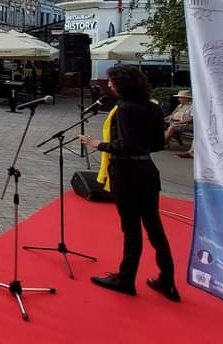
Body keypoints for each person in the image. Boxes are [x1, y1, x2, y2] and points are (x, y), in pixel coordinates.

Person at [80, 65, 178, 302]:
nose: (109, 85)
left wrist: (98, 144)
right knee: (155, 228)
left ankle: (126, 279)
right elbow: (157, 145)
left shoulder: (124, 109)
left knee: (131, 229)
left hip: (126, 173)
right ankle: (168, 281)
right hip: (147, 171)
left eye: (112, 81)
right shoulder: (154, 108)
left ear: (122, 84)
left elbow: (125, 145)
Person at [165, 89, 194, 158]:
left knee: (172, 127)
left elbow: (192, 119)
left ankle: (163, 142)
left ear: (186, 98)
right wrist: (163, 118)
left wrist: (179, 122)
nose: (178, 99)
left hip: (186, 124)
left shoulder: (192, 106)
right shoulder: (180, 105)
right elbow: (172, 115)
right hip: (174, 122)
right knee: (158, 124)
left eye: (180, 97)